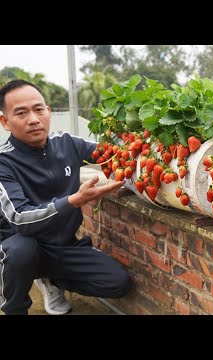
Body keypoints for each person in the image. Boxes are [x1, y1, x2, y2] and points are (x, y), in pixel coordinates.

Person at [0, 79, 132, 315]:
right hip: (23, 245)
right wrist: (73, 201)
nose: (33, 119)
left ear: (48, 112)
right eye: (21, 113)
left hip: (63, 246)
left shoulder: (67, 143)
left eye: (38, 109)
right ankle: (15, 307)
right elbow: (19, 217)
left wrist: (140, 145)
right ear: (5, 121)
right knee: (21, 253)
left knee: (118, 282)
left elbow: (110, 154)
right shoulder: (4, 161)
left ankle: (53, 280)